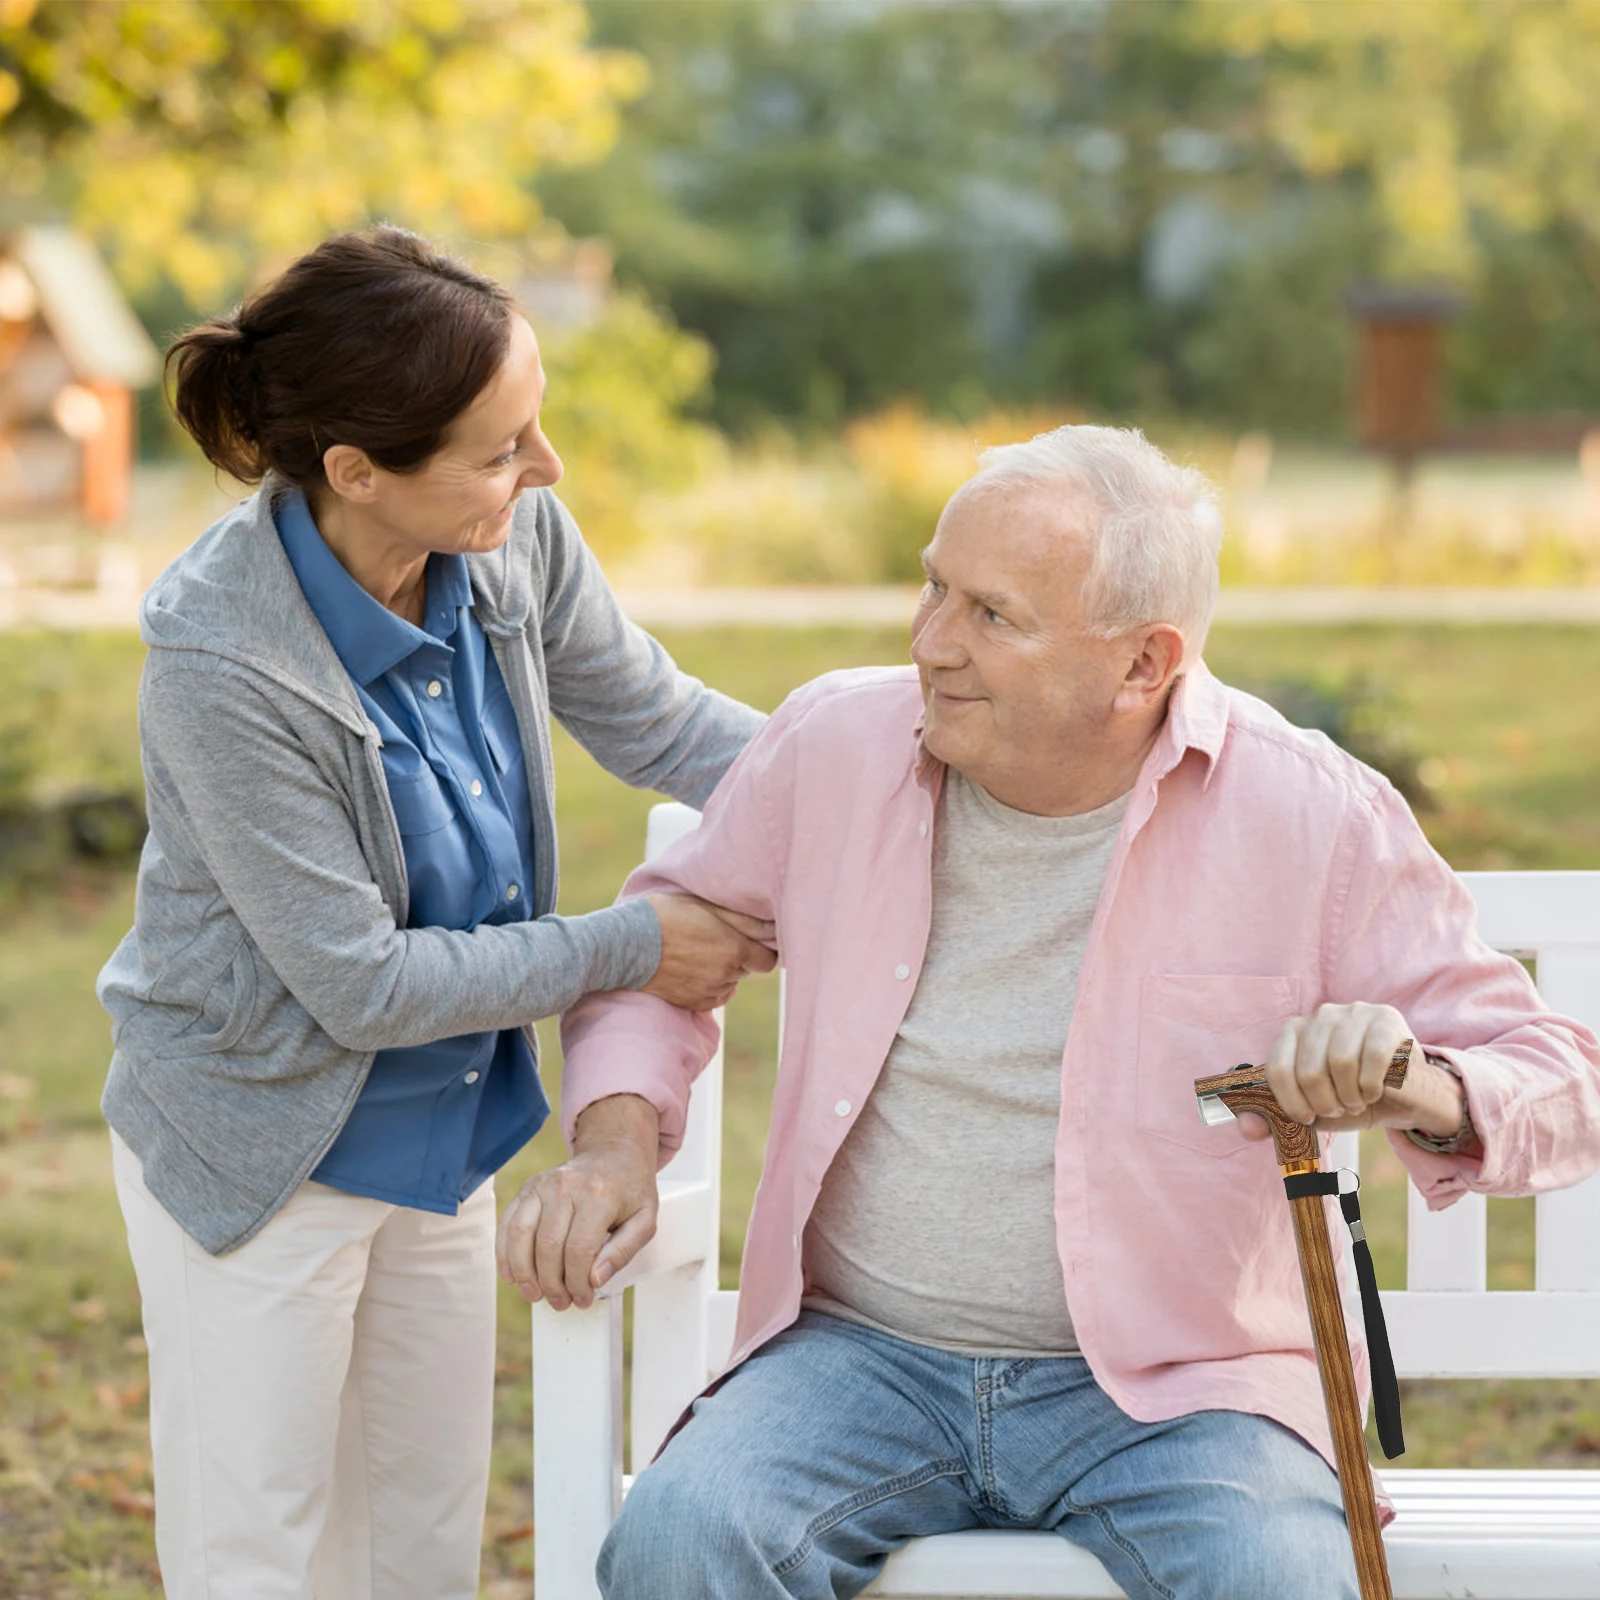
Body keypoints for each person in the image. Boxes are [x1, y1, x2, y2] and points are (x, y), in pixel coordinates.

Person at [500, 425, 1600, 1600]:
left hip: (1187, 1389)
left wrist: (1415, 1080)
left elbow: (1561, 1077)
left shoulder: (1310, 813)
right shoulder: (829, 747)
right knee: (680, 1540)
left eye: (991, 615)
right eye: (932, 587)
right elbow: (658, 954)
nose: (929, 644)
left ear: (1142, 664)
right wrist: (614, 1149)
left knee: (1276, 1576)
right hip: (856, 1358)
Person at [96, 225, 775, 1600]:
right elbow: (359, 984)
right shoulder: (226, 661)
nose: (544, 469)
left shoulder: (512, 547)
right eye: (500, 447)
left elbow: (656, 720)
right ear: (356, 471)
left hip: (443, 1131)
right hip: (258, 1147)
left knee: (419, 1539)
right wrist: (633, 946)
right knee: (266, 1552)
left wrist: (893, 774)